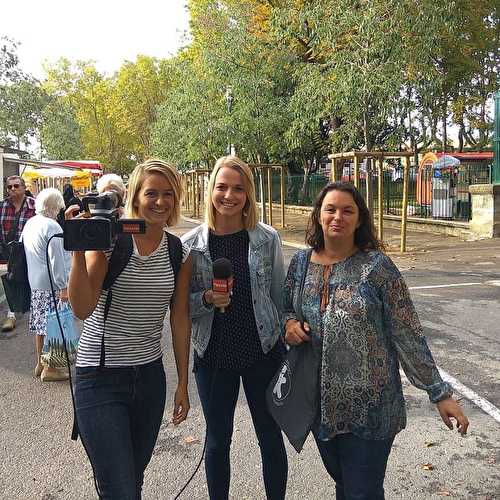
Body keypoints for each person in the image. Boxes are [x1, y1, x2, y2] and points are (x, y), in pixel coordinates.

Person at [283, 182, 469, 500]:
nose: (337, 217)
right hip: (318, 405)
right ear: (318, 215)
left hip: (371, 407)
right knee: (344, 483)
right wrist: (288, 324)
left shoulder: (378, 268)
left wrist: (439, 393)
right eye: (330, 209)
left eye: (347, 210)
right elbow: (286, 307)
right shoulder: (300, 265)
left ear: (359, 219)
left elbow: (407, 332)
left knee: (362, 491)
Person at [68, 159, 192, 499]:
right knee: (119, 489)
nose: (160, 202)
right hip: (100, 376)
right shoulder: (110, 240)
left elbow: (179, 318)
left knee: (132, 481)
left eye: (168, 194)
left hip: (149, 379)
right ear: (135, 196)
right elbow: (81, 307)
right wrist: (79, 249)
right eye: (151, 193)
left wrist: (183, 382)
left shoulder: (179, 251)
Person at [182, 155, 288, 500]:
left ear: (248, 194)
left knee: (270, 438)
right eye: (222, 186)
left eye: (238, 188)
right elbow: (182, 308)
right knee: (216, 442)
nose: (229, 195)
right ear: (211, 189)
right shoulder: (191, 246)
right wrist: (208, 300)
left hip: (262, 352)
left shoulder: (266, 239)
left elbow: (278, 297)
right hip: (213, 355)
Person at [22, 188, 71, 382]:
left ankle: (40, 363)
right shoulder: (52, 227)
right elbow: (57, 259)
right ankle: (52, 368)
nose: (60, 210)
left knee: (41, 324)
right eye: (59, 207)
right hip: (51, 283)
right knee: (56, 324)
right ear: (54, 206)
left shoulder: (31, 223)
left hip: (35, 281)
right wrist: (63, 286)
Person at [0, 175, 36, 332]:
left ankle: (34, 312)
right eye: (9, 187)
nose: (13, 189)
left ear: (23, 187)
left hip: (28, 249)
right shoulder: (1, 206)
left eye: (16, 186)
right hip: (7, 251)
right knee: (9, 281)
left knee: (31, 279)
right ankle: (11, 314)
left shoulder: (34, 205)